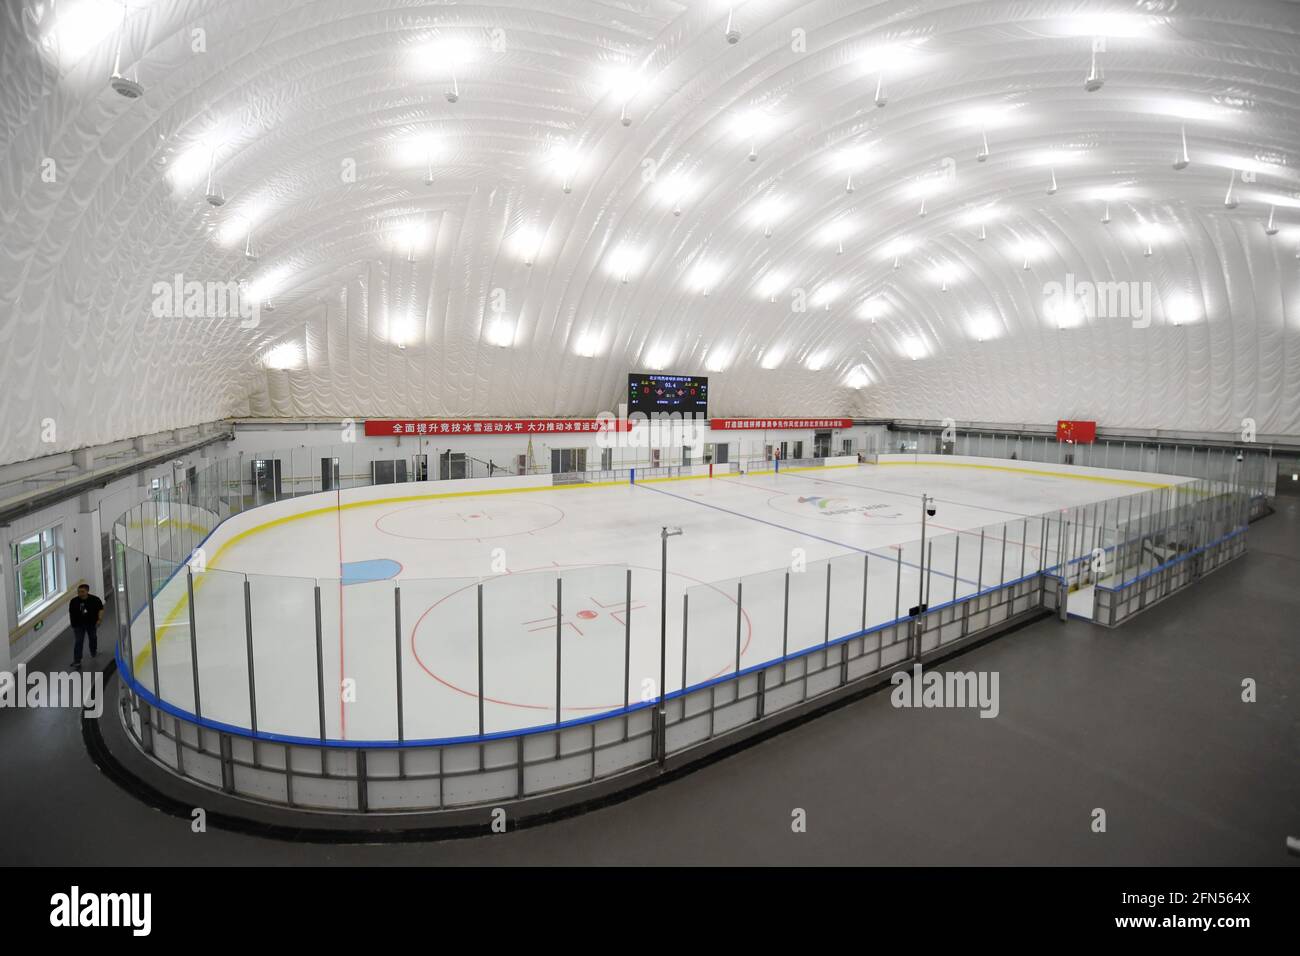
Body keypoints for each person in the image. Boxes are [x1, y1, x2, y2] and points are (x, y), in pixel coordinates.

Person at [69, 584, 104, 669]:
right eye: (78, 592)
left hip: (91, 623)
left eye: (82, 592)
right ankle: (77, 661)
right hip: (78, 625)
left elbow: (101, 609)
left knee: (93, 637)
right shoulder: (74, 601)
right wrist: (73, 624)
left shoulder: (95, 600)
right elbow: (71, 613)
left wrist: (99, 619)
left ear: (87, 591)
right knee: (78, 641)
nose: (80, 593)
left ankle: (93, 651)